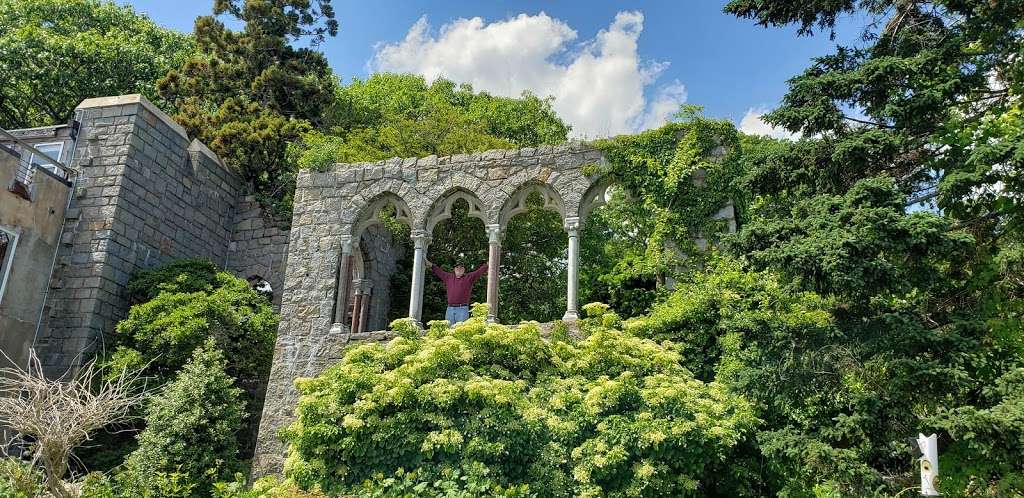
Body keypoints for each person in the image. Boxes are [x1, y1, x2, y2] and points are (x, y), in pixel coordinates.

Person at [426, 259, 488, 325]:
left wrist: (487, 265)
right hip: (450, 309)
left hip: (462, 309)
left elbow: (478, 272)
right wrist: (428, 263)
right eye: (457, 267)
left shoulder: (469, 278)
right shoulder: (448, 277)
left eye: (461, 267)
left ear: (464, 270)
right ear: (454, 269)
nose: (459, 269)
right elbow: (438, 271)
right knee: (448, 331)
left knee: (460, 330)